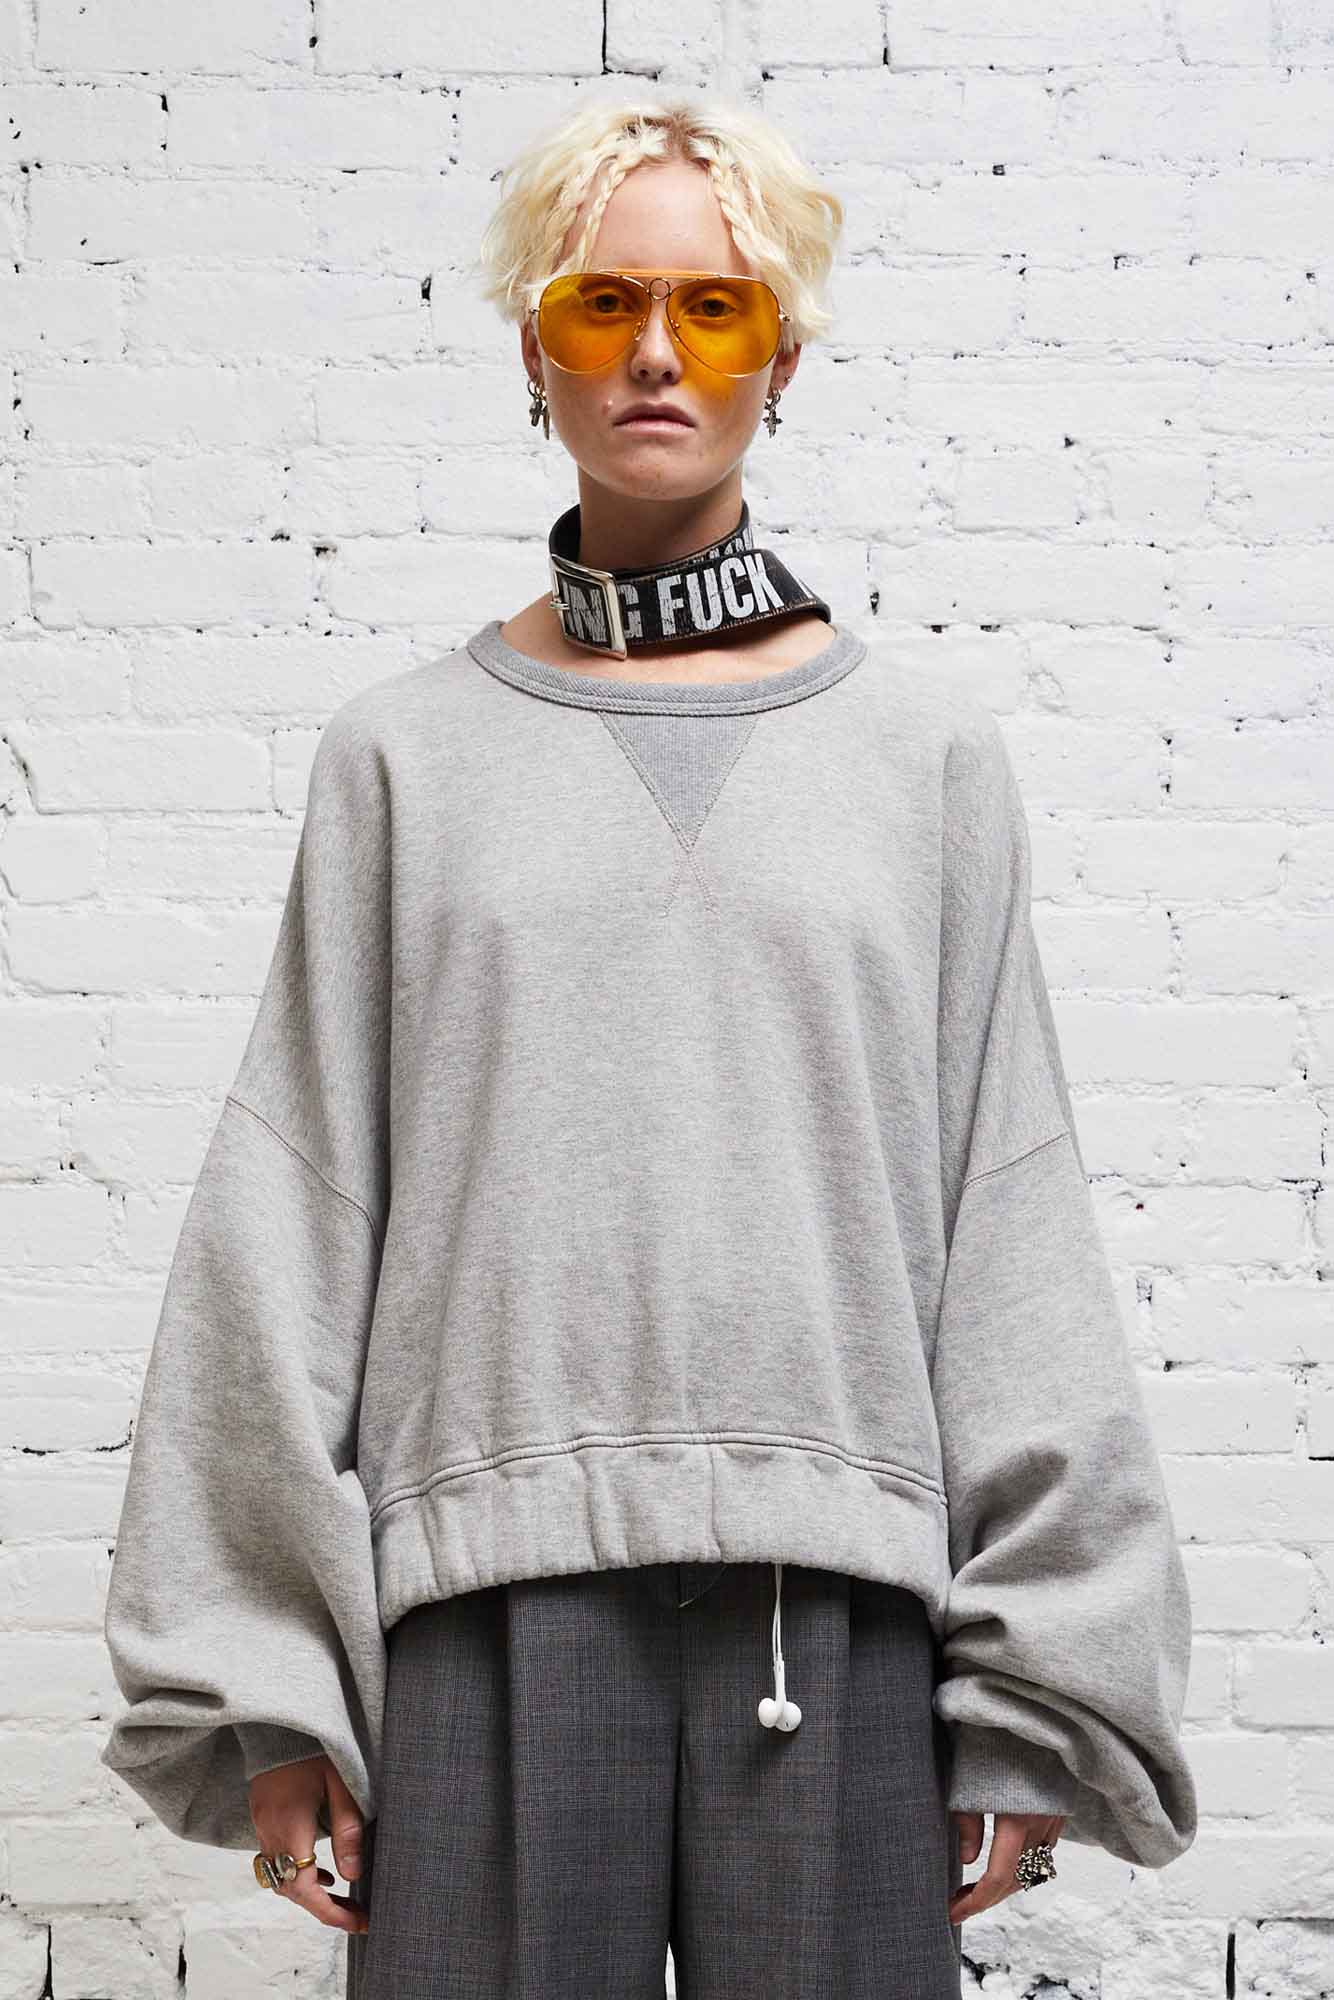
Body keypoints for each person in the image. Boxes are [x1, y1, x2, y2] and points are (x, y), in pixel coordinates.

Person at [99, 95, 1198, 2000]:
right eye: (603, 304)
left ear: (786, 352)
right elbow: (292, 1209)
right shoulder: (403, 759)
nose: (659, 356)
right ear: (534, 347)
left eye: (716, 306)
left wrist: (1038, 1680)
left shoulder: (924, 763)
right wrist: (266, 1674)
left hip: (837, 1609)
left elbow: (1004, 1209)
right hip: (483, 1611)